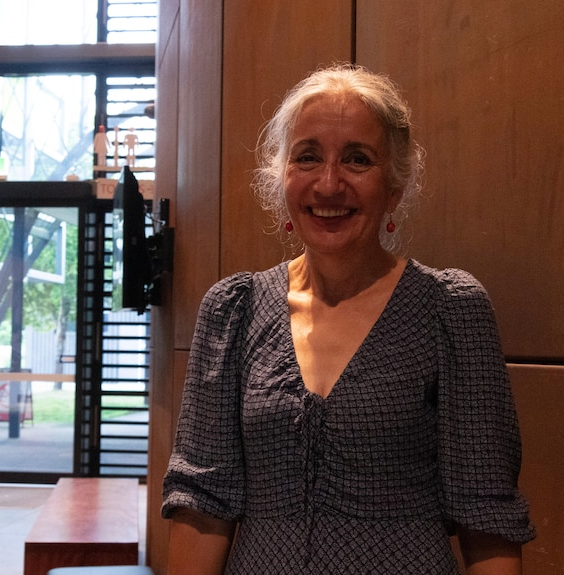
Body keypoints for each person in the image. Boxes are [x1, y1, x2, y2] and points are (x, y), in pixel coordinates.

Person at [162, 63, 535, 574]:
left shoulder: (449, 309)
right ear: (283, 179)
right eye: (307, 157)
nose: (329, 183)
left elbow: (487, 517)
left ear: (394, 188)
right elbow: (202, 505)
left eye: (357, 160)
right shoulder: (234, 310)